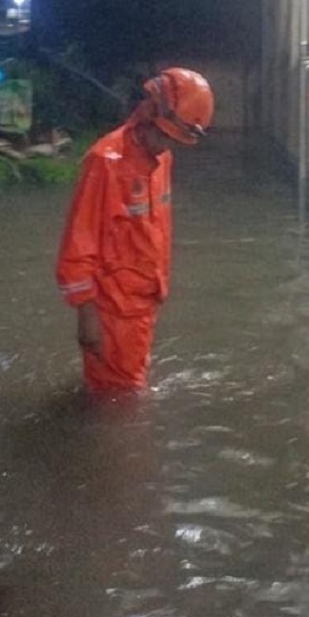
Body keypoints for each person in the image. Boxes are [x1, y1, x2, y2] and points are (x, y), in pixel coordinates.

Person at [56, 68, 214, 393]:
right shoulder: (106, 162)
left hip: (143, 301)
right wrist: (87, 316)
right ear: (149, 115)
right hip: (113, 311)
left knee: (125, 390)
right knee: (119, 401)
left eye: (175, 141)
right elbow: (78, 247)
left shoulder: (161, 159)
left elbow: (154, 231)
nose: (167, 146)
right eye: (165, 137)